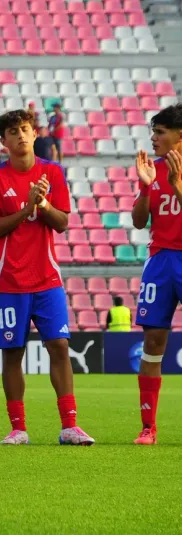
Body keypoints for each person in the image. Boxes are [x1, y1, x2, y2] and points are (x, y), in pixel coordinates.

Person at [0, 109, 95, 446]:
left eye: (25, 129)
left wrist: (41, 204)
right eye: (13, 132)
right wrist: (27, 209)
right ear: (3, 141)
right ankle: (18, 428)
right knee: (13, 353)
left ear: (34, 133)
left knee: (59, 346)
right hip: (10, 281)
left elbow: (62, 223)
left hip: (47, 279)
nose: (21, 136)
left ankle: (70, 425)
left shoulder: (52, 172)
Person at [129, 104, 182, 445]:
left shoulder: (173, 173)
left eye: (160, 132)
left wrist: (177, 184)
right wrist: (147, 188)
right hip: (161, 260)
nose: (154, 138)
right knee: (153, 342)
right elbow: (137, 221)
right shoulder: (153, 169)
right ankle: (148, 427)